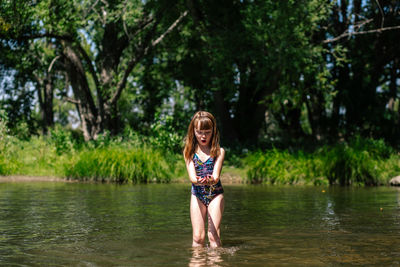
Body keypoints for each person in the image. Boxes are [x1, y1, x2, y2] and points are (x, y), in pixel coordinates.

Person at [183, 111, 225, 248]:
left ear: (213, 131)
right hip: (197, 194)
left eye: (207, 132)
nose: (203, 136)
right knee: (198, 237)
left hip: (215, 194)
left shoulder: (219, 151)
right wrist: (199, 180)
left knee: (213, 236)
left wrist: (211, 179)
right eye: (199, 132)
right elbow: (192, 177)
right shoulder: (188, 152)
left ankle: (216, 261)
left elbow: (216, 175)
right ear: (193, 131)